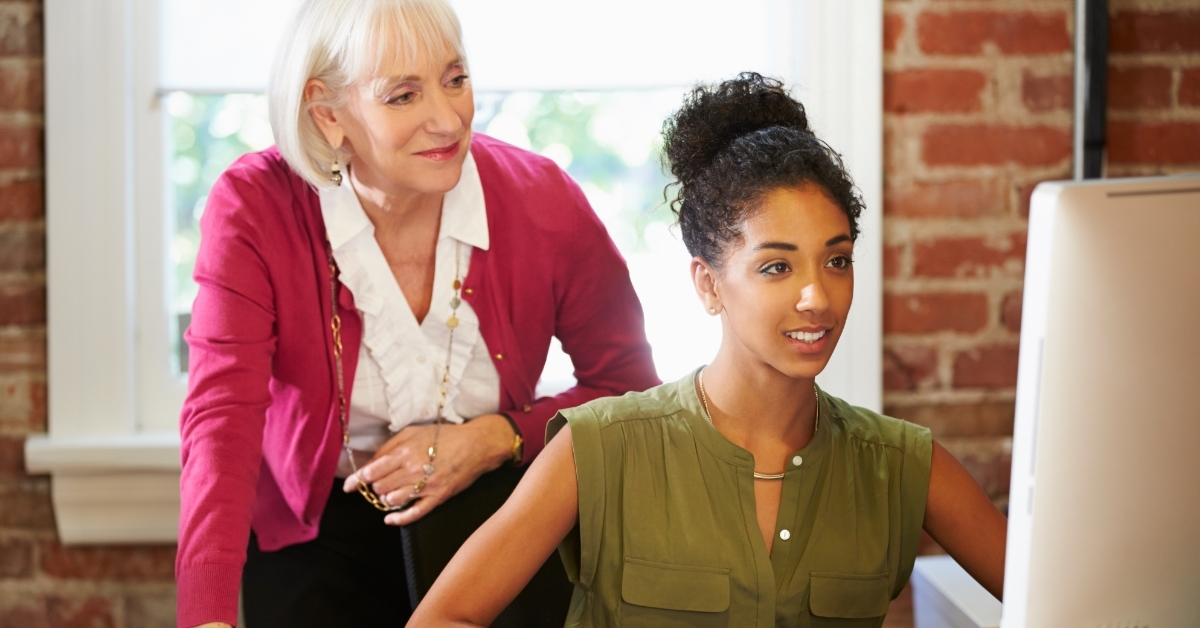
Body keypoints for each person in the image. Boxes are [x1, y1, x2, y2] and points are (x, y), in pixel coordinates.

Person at [409, 73, 1008, 627]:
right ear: (709, 283)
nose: (816, 297)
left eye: (837, 260)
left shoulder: (901, 465)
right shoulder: (600, 449)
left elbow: (1073, 604)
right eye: (776, 266)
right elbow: (442, 618)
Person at [175, 0, 660, 626]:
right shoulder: (254, 207)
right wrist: (205, 615)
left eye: (455, 80)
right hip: (317, 528)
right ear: (328, 116)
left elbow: (631, 393)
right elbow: (221, 418)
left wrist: (500, 437)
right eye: (403, 96)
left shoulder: (544, 200)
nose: (447, 119)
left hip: (497, 510)